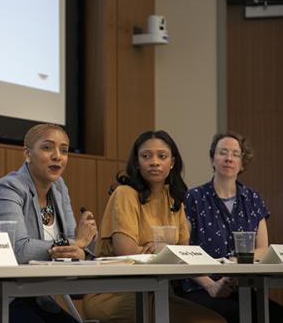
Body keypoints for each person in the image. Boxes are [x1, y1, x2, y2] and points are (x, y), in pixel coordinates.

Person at [0, 123, 98, 323]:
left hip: (35, 295)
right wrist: (76, 244)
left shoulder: (59, 188)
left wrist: (80, 248)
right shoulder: (8, 188)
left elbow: (77, 244)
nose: (57, 156)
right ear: (27, 154)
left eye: (64, 150)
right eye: (47, 147)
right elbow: (16, 249)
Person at [82, 130, 226, 323]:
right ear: (137, 163)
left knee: (215, 320)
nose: (154, 162)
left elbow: (184, 256)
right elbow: (126, 251)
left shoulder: (174, 199)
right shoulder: (125, 193)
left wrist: (211, 285)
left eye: (162, 156)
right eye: (146, 156)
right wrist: (164, 252)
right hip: (113, 294)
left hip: (156, 292)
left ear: (172, 163)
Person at [176, 132, 283, 323]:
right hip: (201, 287)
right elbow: (183, 251)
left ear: (242, 163)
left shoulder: (253, 199)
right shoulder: (193, 198)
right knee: (240, 315)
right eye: (223, 152)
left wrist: (236, 262)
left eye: (235, 154)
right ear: (212, 159)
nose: (228, 158)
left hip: (242, 286)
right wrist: (211, 285)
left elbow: (262, 249)